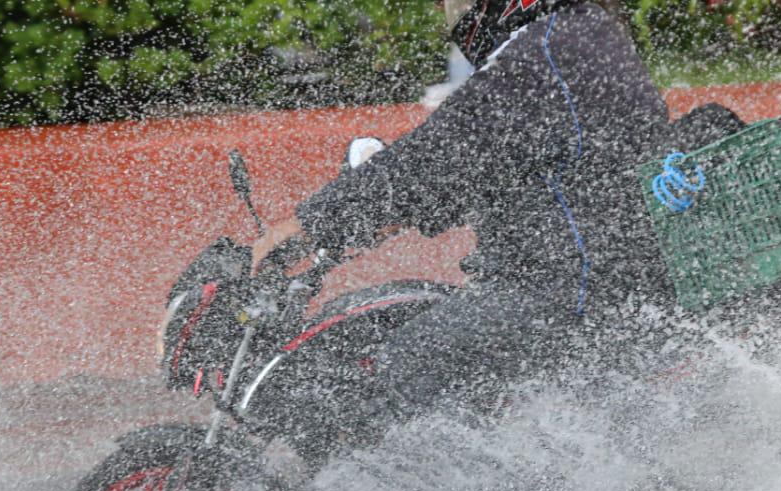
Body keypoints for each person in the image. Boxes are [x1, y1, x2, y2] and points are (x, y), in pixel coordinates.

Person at [251, 0, 743, 445]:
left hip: (571, 293)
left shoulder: (551, 48)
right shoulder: (575, 36)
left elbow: (441, 155)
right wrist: (376, 215)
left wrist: (309, 223)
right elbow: (480, 160)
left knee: (416, 354)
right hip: (602, 279)